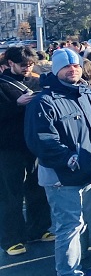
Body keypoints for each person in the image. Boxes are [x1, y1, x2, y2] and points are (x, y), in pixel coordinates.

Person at [25, 48, 91, 276]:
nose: (73, 69)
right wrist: (71, 160)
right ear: (54, 70)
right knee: (68, 228)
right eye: (66, 66)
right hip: (62, 177)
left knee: (79, 225)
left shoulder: (85, 94)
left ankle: (77, 269)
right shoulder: (43, 101)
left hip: (87, 172)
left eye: (76, 65)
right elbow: (42, 141)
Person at [0, 46, 52, 257]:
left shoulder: (37, 80)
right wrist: (16, 104)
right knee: (10, 194)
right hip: (8, 147)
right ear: (10, 63)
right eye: (23, 65)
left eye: (30, 65)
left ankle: (39, 229)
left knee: (37, 187)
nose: (27, 69)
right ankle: (12, 239)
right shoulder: (2, 84)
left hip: (34, 145)